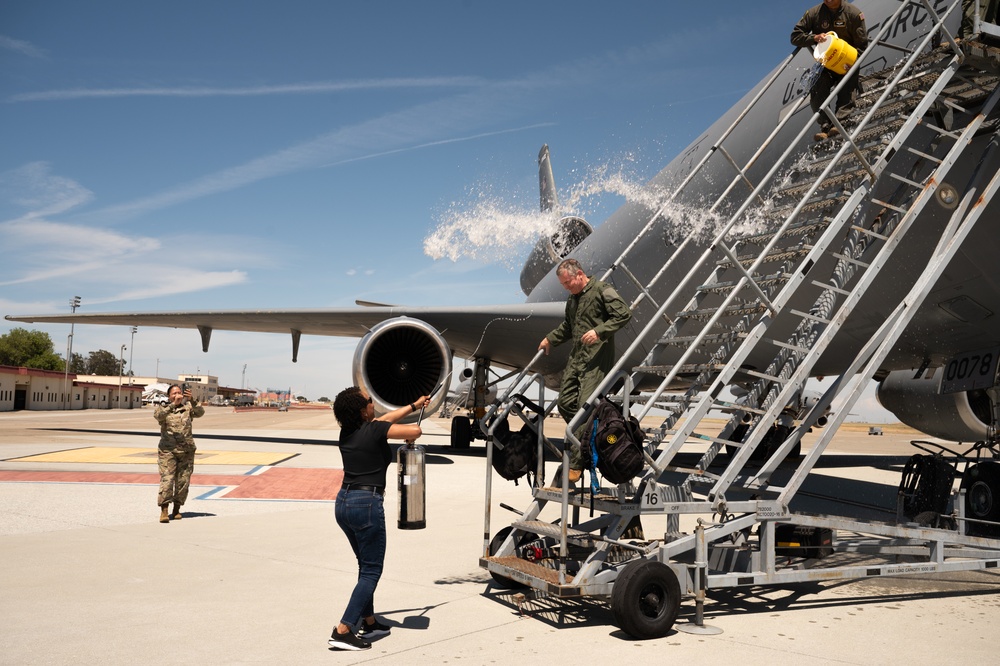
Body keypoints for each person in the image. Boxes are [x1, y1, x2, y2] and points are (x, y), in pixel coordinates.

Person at [327, 387, 429, 651]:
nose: (374, 403)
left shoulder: (348, 431)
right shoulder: (374, 430)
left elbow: (386, 420)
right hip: (367, 504)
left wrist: (414, 405)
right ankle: (344, 629)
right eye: (370, 401)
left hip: (343, 502)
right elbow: (413, 432)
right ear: (363, 411)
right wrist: (414, 422)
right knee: (372, 571)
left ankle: (369, 622)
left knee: (364, 565)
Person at [538, 258, 632, 483]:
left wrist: (600, 331)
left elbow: (623, 314)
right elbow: (568, 327)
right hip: (577, 358)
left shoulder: (602, 290)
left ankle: (577, 462)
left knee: (584, 407)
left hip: (597, 359)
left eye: (568, 282)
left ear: (580, 274)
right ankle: (593, 438)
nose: (567, 287)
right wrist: (550, 339)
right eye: (563, 285)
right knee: (565, 403)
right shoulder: (573, 300)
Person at [791, 0, 868, 141]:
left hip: (847, 60)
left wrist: (853, 62)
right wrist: (814, 38)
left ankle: (841, 122)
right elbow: (795, 36)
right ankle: (825, 126)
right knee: (816, 86)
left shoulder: (853, 14)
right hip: (826, 62)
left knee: (847, 82)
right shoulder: (814, 13)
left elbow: (862, 45)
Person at [154, 384, 204, 523]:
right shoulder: (164, 408)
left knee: (183, 481)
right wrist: (172, 405)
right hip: (168, 451)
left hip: (186, 451)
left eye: (179, 393)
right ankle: (164, 510)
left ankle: (176, 509)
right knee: (167, 480)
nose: (177, 395)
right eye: (174, 393)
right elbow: (158, 416)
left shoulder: (188, 408)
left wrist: (192, 400)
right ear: (169, 396)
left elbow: (200, 412)